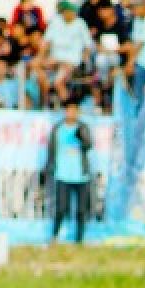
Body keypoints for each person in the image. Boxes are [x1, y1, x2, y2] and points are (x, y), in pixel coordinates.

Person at [44, 98, 93, 243]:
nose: (71, 113)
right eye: (69, 110)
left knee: (81, 210)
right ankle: (54, 237)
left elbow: (89, 145)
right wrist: (49, 169)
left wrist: (82, 137)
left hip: (81, 176)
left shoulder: (83, 128)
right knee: (61, 209)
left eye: (74, 110)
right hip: (63, 175)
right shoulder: (57, 129)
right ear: (65, 112)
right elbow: (51, 151)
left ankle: (79, 241)